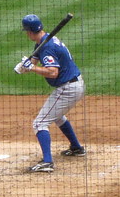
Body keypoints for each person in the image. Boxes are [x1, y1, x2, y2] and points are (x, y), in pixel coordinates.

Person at [15, 14, 86, 173]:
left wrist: (32, 68)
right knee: (57, 116)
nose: (26, 34)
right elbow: (33, 62)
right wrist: (24, 67)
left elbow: (53, 72)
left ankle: (47, 162)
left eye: (26, 31)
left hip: (68, 88)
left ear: (31, 31)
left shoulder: (47, 47)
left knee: (40, 123)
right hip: (73, 85)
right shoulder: (43, 42)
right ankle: (76, 148)